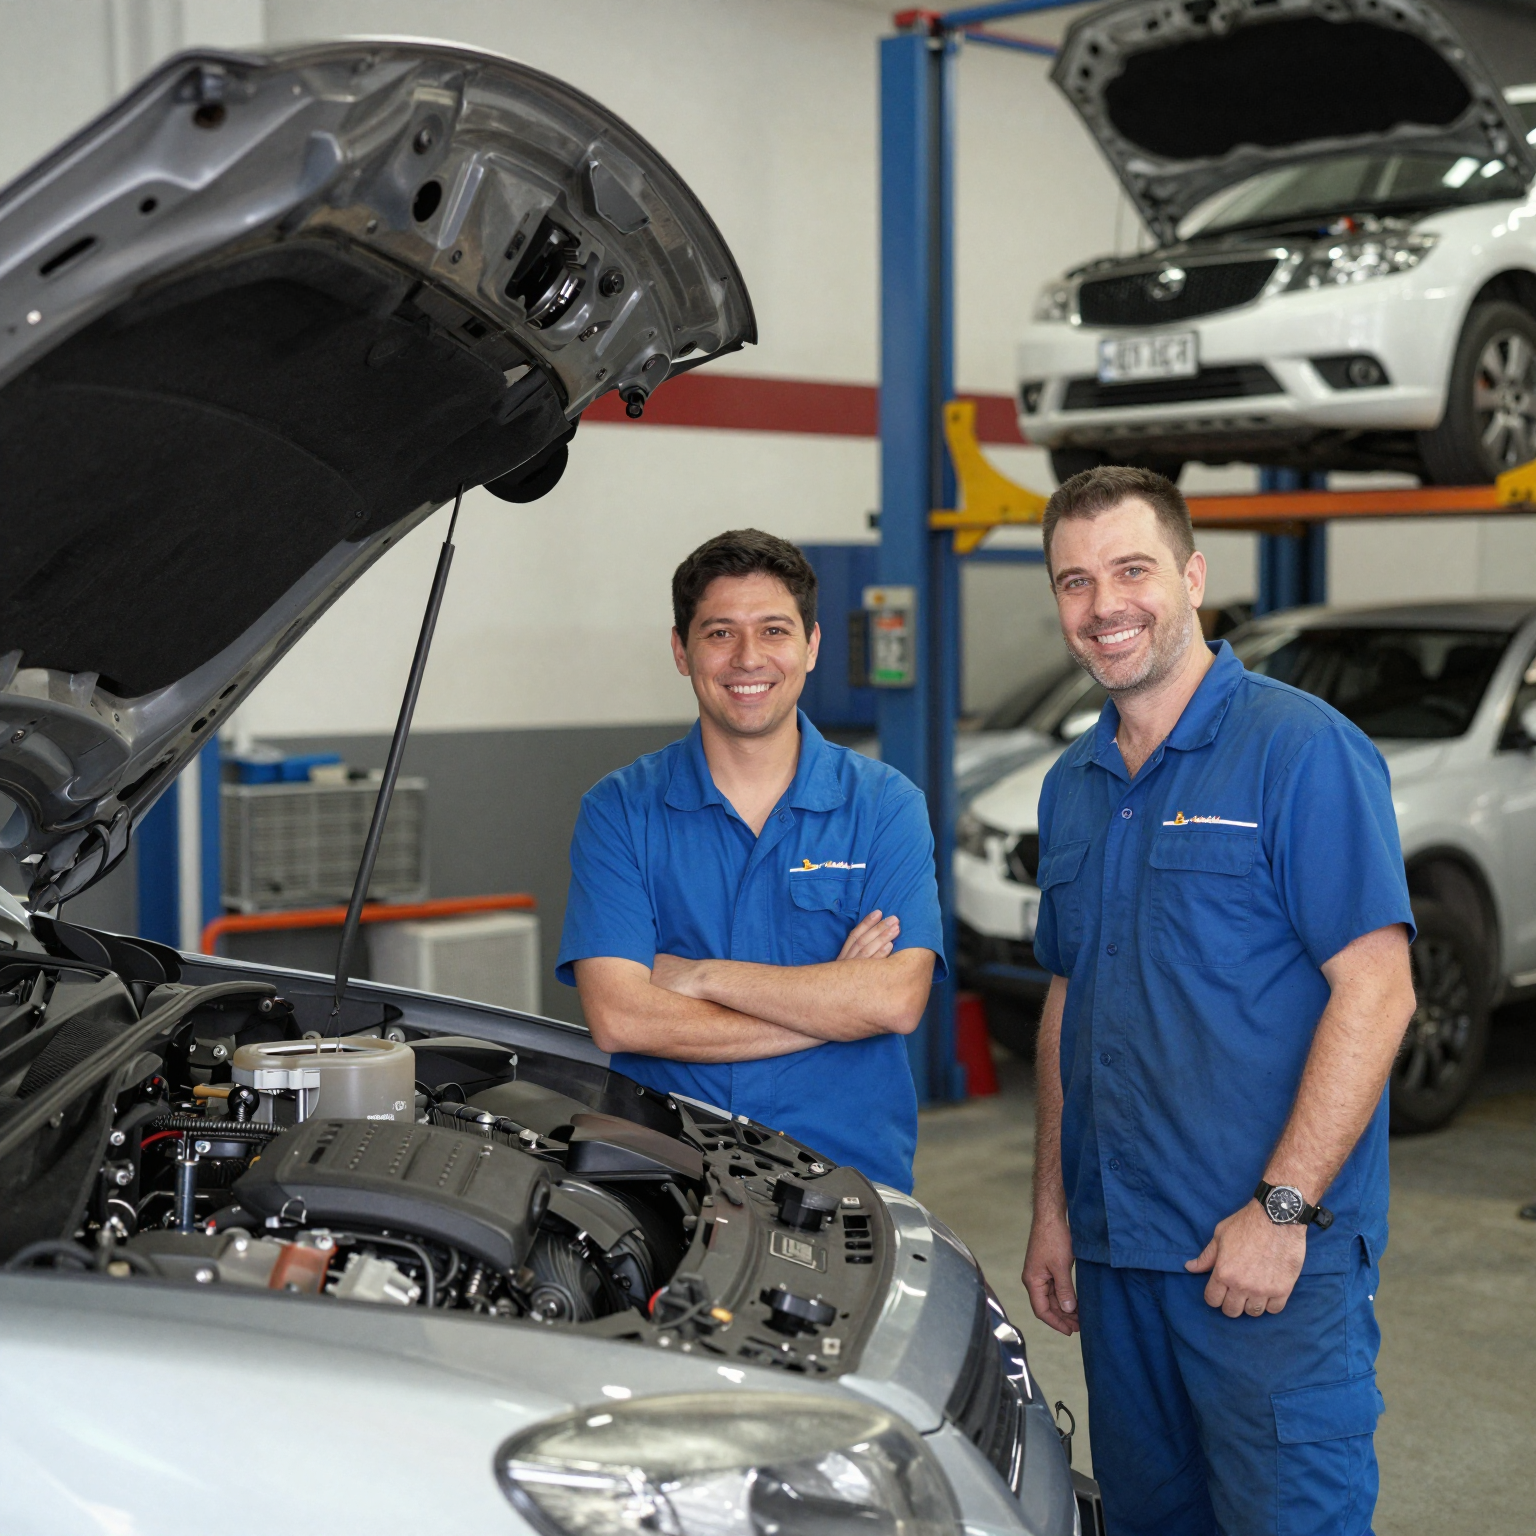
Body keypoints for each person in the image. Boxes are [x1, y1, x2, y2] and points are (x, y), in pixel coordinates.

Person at [1019, 467, 1417, 1536]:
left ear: (1193, 576)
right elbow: (1072, 994)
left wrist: (1283, 1209)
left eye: (1133, 569)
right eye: (1074, 581)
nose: (1105, 606)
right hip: (1119, 1264)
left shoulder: (1302, 752)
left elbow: (1378, 989)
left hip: (1270, 1272)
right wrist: (1055, 1209)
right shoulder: (1074, 784)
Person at [556, 528, 944, 1191]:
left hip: (847, 1179)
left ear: (811, 647)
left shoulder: (885, 806)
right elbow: (621, 1018)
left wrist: (702, 977)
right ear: (682, 651)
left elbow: (895, 1001)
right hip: (663, 1178)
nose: (748, 658)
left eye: (773, 631)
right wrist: (828, 1009)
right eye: (719, 633)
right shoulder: (619, 811)